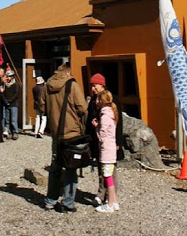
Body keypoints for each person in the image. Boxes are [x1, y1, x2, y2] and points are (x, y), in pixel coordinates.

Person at [40, 63, 87, 213]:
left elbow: (41, 107)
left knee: (55, 167)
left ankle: (50, 201)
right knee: (71, 168)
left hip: (56, 133)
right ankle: (68, 202)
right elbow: (82, 108)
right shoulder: (72, 85)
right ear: (68, 72)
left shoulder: (47, 85)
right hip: (72, 132)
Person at [85, 73, 124, 207]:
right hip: (98, 140)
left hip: (109, 140)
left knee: (110, 169)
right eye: (92, 86)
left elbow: (119, 122)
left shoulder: (112, 100)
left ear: (102, 85)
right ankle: (101, 193)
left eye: (95, 85)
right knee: (101, 168)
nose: (93, 88)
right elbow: (89, 119)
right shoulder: (93, 101)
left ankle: (110, 196)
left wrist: (118, 141)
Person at [92, 90, 120, 213]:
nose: (96, 101)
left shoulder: (105, 116)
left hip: (106, 150)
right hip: (111, 148)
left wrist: (96, 128)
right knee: (109, 176)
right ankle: (113, 202)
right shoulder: (111, 113)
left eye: (98, 99)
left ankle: (110, 203)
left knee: (107, 176)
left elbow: (102, 136)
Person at [3, 70, 19, 140]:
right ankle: (8, 132)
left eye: (9, 76)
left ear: (12, 77)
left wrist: (10, 101)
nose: (8, 78)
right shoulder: (5, 85)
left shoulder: (15, 85)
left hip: (14, 104)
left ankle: (15, 132)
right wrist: (5, 101)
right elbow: (3, 94)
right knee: (7, 120)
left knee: (13, 120)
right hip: (7, 104)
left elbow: (16, 95)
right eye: (7, 76)